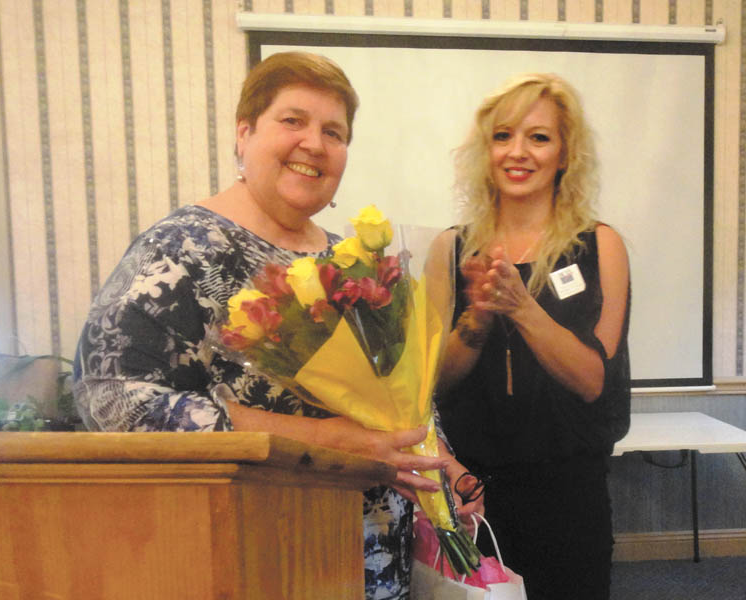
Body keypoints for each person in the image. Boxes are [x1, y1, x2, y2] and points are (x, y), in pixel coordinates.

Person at [73, 51, 474, 600]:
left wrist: (441, 460)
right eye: (293, 120)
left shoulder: (350, 259)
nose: (315, 143)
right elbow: (112, 399)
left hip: (375, 559)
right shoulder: (181, 248)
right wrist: (323, 440)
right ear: (244, 134)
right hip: (256, 557)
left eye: (334, 131)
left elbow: (401, 392)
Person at [435, 73, 631, 600]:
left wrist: (521, 307)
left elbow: (593, 381)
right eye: (503, 136)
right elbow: (435, 384)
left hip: (570, 495)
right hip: (470, 494)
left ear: (564, 153)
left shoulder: (601, 245)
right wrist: (475, 321)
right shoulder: (449, 248)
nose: (517, 152)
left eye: (539, 137)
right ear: (486, 149)